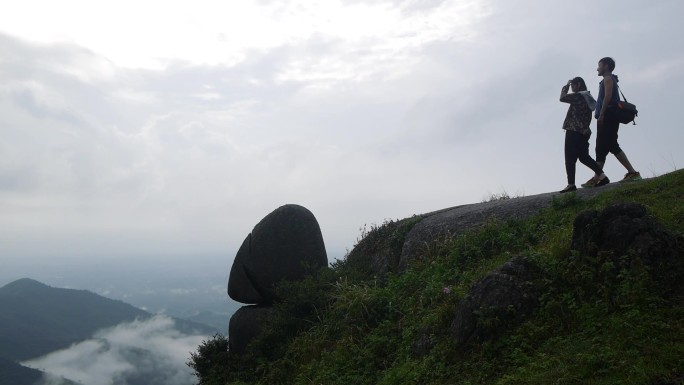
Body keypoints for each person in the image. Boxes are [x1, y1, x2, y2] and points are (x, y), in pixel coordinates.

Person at [583, 57, 641, 187]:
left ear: (606, 66)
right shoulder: (607, 79)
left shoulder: (608, 79)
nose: (598, 68)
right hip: (606, 117)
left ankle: (632, 172)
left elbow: (608, 98)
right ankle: (597, 177)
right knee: (601, 148)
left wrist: (602, 114)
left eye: (600, 65)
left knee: (611, 144)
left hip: (609, 116)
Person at [559, 77, 609, 193]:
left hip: (573, 130)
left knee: (569, 158)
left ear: (578, 84)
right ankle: (602, 176)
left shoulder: (579, 95)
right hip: (584, 132)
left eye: (573, 85)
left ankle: (571, 184)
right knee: (584, 157)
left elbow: (562, 98)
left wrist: (565, 86)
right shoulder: (588, 97)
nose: (572, 88)